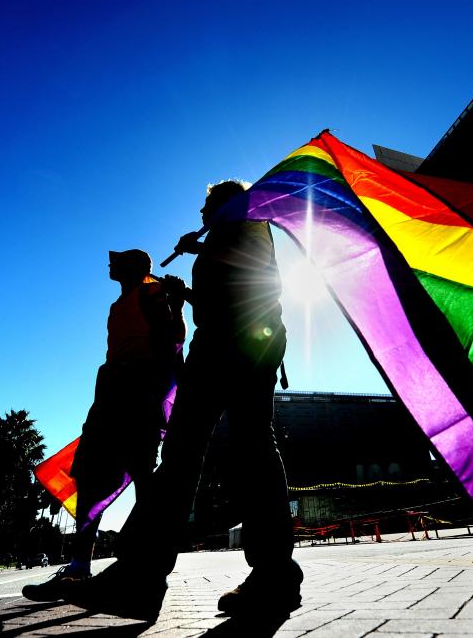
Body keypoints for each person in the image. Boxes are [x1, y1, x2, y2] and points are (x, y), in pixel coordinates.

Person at [64, 181, 301, 621]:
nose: (202, 212)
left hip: (240, 340)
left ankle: (145, 574)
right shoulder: (227, 231)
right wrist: (184, 293)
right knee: (211, 449)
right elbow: (222, 295)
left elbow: (253, 276)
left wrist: (199, 249)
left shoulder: (246, 221)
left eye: (206, 206)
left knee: (199, 451)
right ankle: (267, 575)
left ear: (223, 203)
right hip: (231, 338)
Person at [23, 249, 185, 602]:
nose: (110, 265)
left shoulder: (153, 294)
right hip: (110, 393)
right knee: (90, 476)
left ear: (136, 268)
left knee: (142, 472)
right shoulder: (120, 304)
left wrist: (177, 305)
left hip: (138, 391)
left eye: (119, 261)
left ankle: (145, 569)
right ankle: (80, 568)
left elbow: (173, 338)